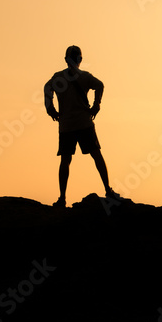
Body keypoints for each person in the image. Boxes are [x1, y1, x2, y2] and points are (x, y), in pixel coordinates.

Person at [44, 45, 120, 207]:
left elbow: (47, 88)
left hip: (66, 125)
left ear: (65, 59)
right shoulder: (85, 77)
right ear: (80, 59)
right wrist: (96, 104)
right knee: (96, 155)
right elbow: (100, 85)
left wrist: (49, 107)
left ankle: (62, 198)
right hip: (84, 123)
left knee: (65, 160)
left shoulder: (58, 77)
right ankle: (108, 190)